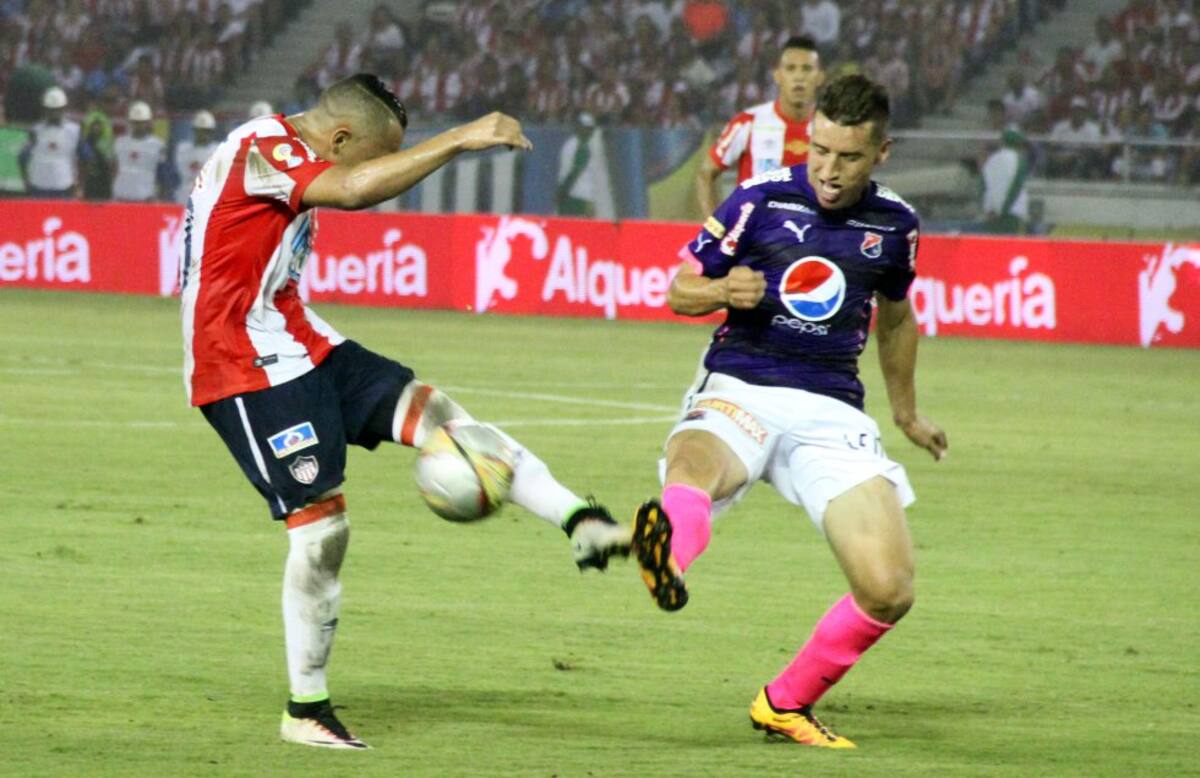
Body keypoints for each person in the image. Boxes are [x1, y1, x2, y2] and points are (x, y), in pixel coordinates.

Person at [179, 73, 630, 750]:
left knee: (443, 417)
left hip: (298, 336)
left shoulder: (294, 145)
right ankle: (306, 708)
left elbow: (353, 181)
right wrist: (461, 137)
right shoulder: (264, 151)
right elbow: (356, 190)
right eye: (373, 153)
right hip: (238, 360)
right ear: (338, 139)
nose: (378, 168)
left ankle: (581, 522)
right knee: (322, 532)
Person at [631, 75, 947, 748]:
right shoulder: (760, 197)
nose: (829, 172)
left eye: (849, 157)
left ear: (881, 153)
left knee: (890, 588)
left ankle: (785, 702)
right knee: (694, 465)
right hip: (743, 384)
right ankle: (668, 555)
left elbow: (895, 323)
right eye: (820, 151)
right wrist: (720, 287)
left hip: (831, 409)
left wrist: (909, 414)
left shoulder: (895, 226)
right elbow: (678, 290)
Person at [696, 35, 824, 216]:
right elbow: (706, 173)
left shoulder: (830, 129)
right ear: (777, 75)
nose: (799, 77)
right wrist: (715, 228)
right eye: (791, 68)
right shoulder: (749, 122)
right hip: (756, 239)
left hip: (810, 239)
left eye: (807, 69)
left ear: (819, 77)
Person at [20, 86, 79, 198]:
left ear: (64, 108)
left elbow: (85, 157)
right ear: (45, 109)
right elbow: (22, 157)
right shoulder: (35, 131)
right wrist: (26, 181)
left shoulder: (74, 130)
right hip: (39, 187)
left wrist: (79, 185)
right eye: (51, 109)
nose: (54, 112)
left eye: (57, 109)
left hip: (64, 186)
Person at [112, 100, 166, 202]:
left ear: (148, 123)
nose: (139, 126)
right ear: (130, 122)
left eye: (142, 123)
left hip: (146, 197)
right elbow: (113, 169)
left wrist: (160, 196)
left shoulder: (157, 145)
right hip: (122, 196)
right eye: (136, 122)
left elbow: (162, 175)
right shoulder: (119, 142)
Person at [173, 109, 219, 203]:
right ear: (194, 131)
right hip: (184, 196)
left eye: (206, 131)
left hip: (207, 197)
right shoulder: (182, 149)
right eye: (200, 131)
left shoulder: (218, 150)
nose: (203, 135)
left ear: (212, 132)